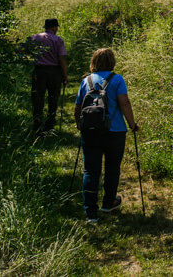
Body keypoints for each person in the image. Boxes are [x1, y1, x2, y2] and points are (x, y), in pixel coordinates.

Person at [74, 47, 139, 224]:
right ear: (112, 62)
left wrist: (79, 124)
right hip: (115, 131)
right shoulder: (117, 79)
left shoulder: (86, 81)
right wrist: (132, 125)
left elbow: (78, 106)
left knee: (90, 170)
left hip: (90, 132)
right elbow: (124, 103)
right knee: (112, 168)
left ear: (93, 62)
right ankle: (108, 202)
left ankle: (90, 212)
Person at [30, 18, 68, 136]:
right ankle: (50, 124)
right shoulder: (58, 40)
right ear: (54, 27)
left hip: (39, 71)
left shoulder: (35, 38)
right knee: (53, 97)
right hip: (54, 72)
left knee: (38, 97)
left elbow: (24, 50)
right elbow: (61, 59)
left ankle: (37, 124)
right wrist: (65, 75)